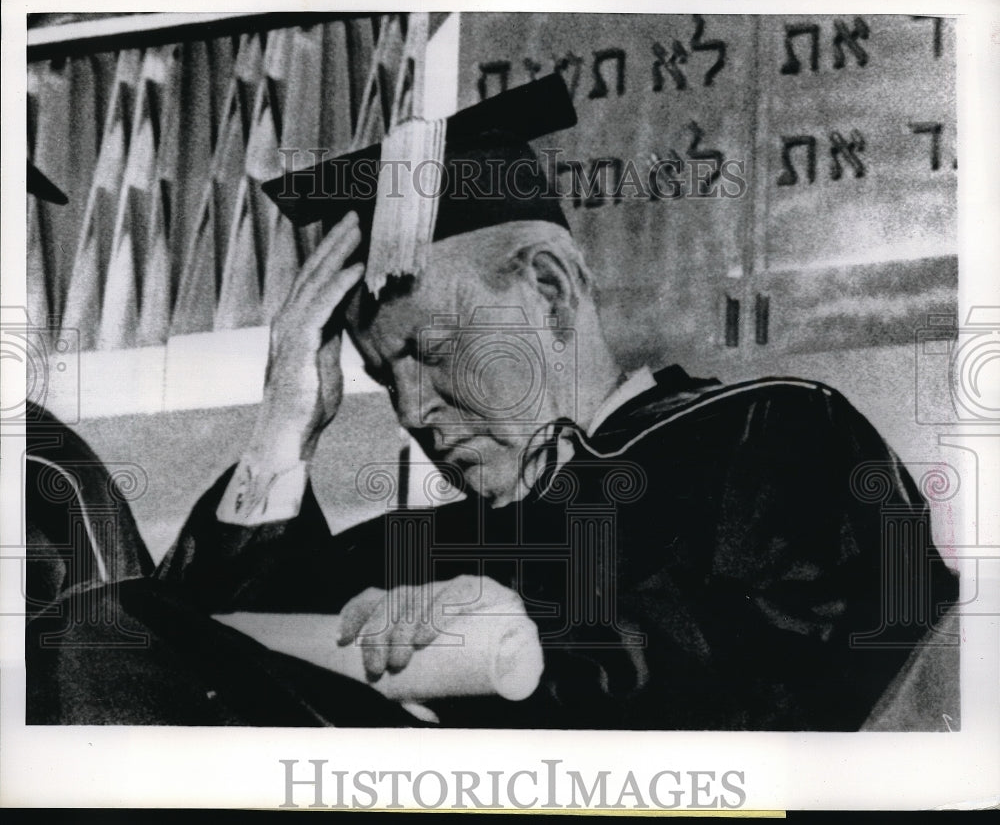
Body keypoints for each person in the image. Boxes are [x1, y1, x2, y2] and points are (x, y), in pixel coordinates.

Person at [148, 75, 959, 730]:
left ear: (551, 289)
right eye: (383, 374)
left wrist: (521, 635)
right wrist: (281, 432)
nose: (412, 410)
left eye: (433, 352)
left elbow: (781, 663)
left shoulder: (769, 435)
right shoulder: (419, 548)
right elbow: (198, 669)